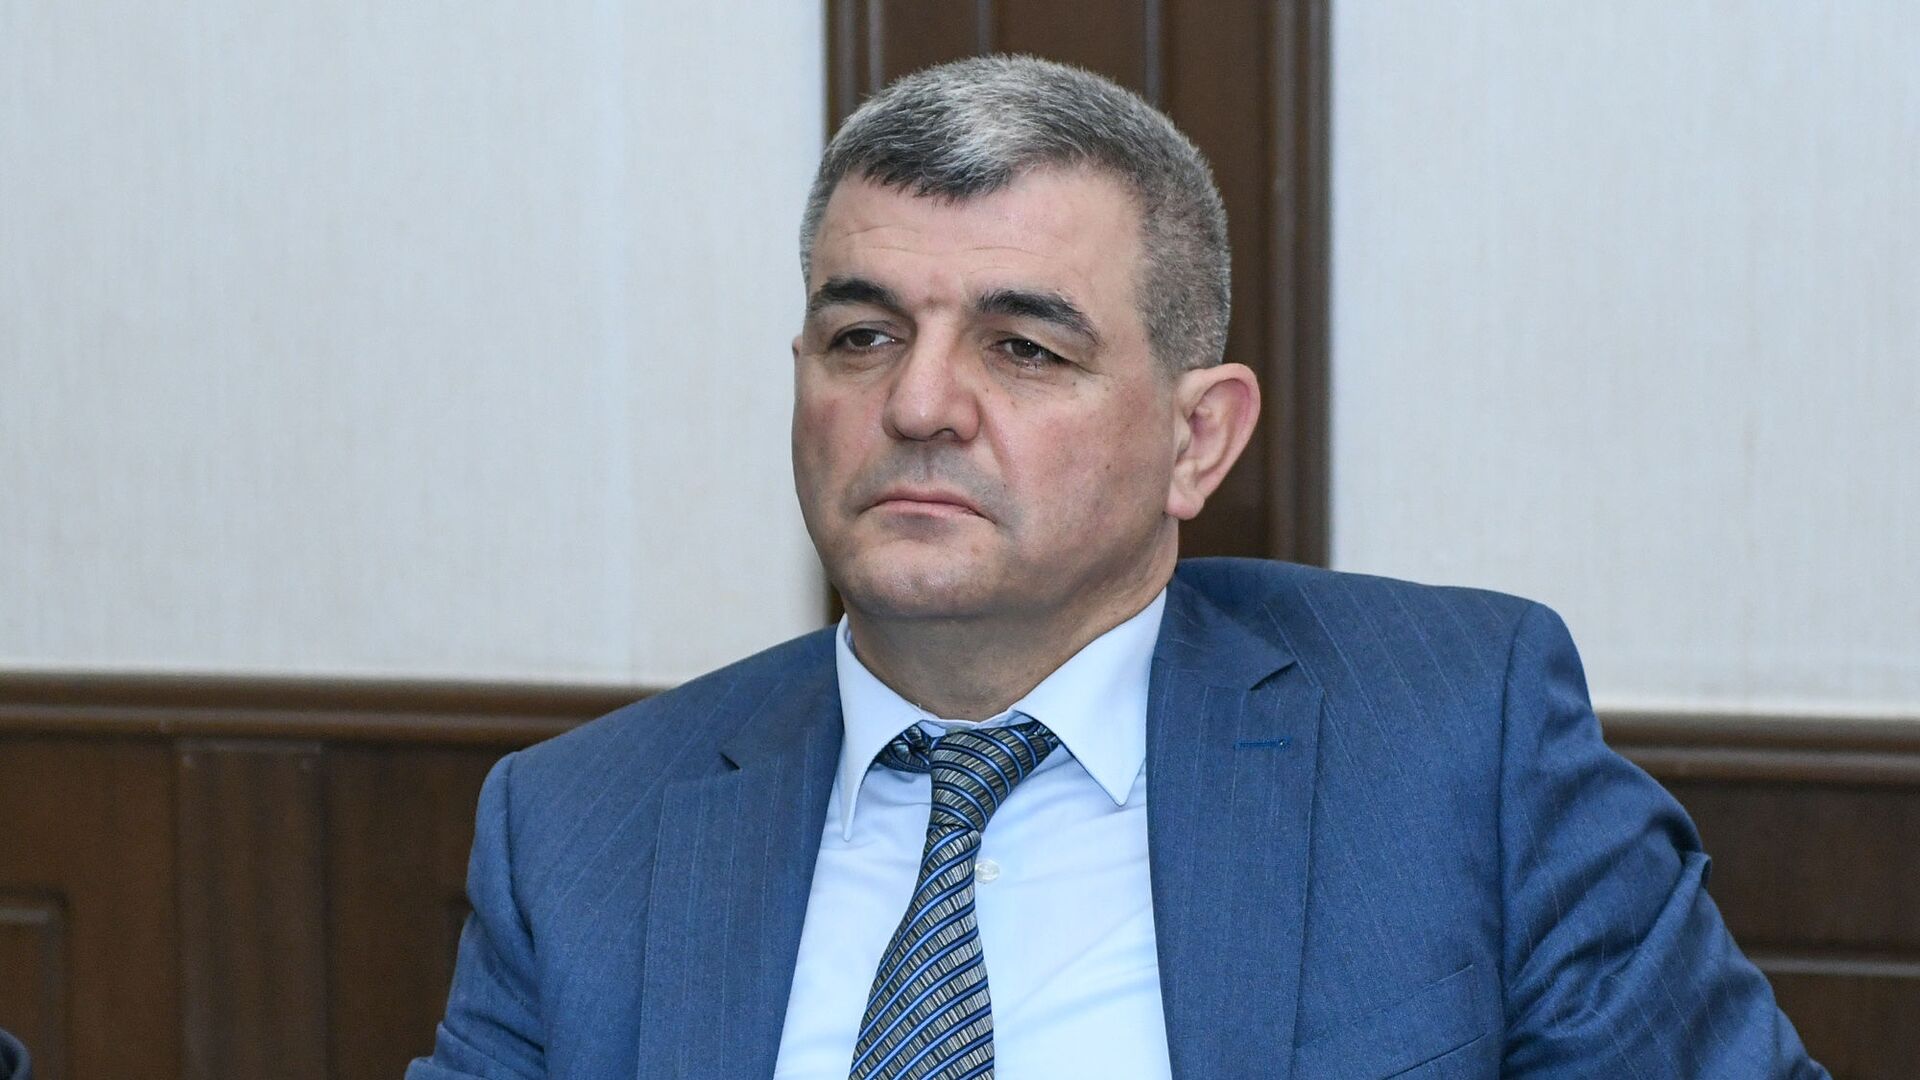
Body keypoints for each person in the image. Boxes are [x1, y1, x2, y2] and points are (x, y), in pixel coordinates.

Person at [410, 56, 1825, 1079]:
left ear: (1197, 440)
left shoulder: (1455, 739)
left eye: (1024, 348)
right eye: (863, 337)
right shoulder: (578, 831)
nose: (918, 404)